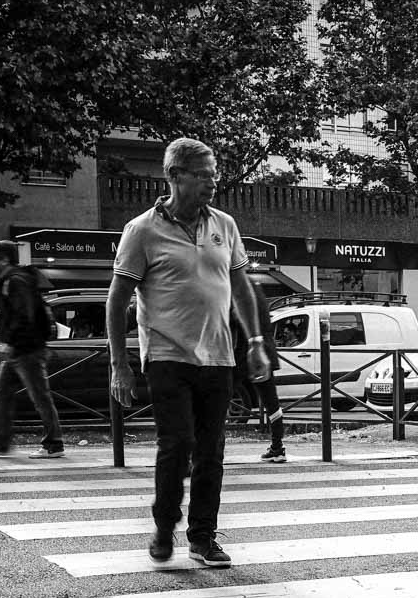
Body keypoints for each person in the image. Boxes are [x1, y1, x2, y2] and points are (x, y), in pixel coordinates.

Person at [108, 138, 269, 568]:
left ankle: (202, 536)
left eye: (214, 174)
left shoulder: (225, 225)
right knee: (177, 444)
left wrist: (254, 342)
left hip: (218, 357)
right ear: (174, 176)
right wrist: (119, 364)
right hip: (166, 354)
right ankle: (164, 526)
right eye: (202, 175)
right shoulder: (141, 230)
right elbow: (117, 297)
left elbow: (241, 288)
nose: (212, 183)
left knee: (211, 451)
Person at [0, 242, 64, 459]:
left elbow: (23, 314)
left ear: (4, 260)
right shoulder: (11, 281)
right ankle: (2, 443)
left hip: (27, 348)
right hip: (19, 349)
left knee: (39, 396)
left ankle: (53, 444)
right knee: (2, 393)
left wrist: (10, 341)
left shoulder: (16, 281)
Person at [231, 281, 286, 462]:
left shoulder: (237, 290)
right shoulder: (258, 290)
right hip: (266, 351)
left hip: (242, 354)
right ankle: (278, 447)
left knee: (219, 399)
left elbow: (234, 321)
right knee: (272, 402)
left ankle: (211, 449)